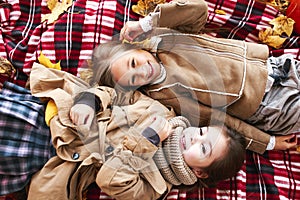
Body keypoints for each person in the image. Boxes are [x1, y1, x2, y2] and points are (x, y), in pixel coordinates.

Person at [91, 0, 299, 154]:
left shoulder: (167, 37)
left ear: (135, 48)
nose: (142, 72)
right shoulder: (165, 96)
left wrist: (145, 25)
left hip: (276, 67)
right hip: (267, 106)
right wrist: (267, 142)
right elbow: (221, 120)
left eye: (133, 63)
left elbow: (198, 10)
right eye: (134, 79)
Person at [25, 63, 246, 200]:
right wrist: (90, 100)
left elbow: (110, 181)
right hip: (59, 117)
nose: (193, 138)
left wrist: (146, 142)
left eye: (204, 147)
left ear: (200, 172)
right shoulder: (160, 111)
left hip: (56, 159)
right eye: (202, 132)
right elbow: (113, 94)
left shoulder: (155, 188)